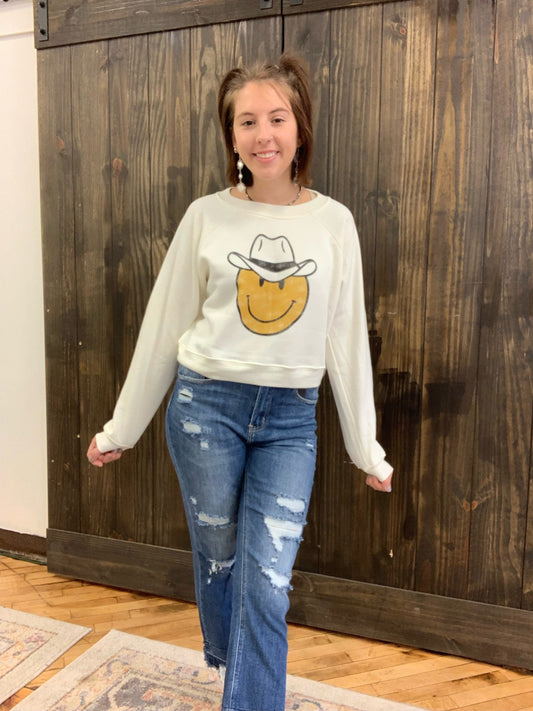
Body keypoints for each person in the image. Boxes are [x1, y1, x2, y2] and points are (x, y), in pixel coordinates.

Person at [87, 54, 393, 711]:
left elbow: (343, 339)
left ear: (300, 128)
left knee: (268, 580)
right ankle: (237, 669)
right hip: (206, 408)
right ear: (231, 137)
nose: (263, 134)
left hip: (290, 419)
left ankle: (247, 695)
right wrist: (121, 428)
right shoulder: (206, 216)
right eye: (246, 121)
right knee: (221, 559)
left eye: (276, 118)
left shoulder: (333, 223)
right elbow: (163, 326)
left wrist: (364, 447)